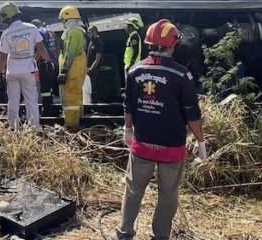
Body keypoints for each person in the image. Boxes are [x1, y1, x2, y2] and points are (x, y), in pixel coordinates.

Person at [117, 19, 205, 240]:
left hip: (142, 146)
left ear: (149, 44)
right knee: (167, 196)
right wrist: (200, 141)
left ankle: (125, 232)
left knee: (133, 190)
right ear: (173, 44)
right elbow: (192, 113)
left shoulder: (135, 71)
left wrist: (128, 129)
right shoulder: (181, 75)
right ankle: (159, 236)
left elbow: (128, 105)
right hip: (171, 149)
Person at [0, 2, 54, 131]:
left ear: (8, 17)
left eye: (3, 18)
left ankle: (13, 127)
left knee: (13, 100)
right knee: (31, 99)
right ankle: (35, 128)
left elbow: (3, 56)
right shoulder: (31, 28)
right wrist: (48, 62)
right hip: (28, 70)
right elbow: (41, 47)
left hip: (12, 71)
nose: (2, 21)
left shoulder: (6, 34)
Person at [57, 5, 87, 129]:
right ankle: (78, 118)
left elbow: (70, 51)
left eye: (63, 20)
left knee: (70, 95)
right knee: (76, 94)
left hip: (72, 68)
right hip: (76, 67)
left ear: (68, 19)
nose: (63, 23)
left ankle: (71, 124)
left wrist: (64, 70)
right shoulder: (78, 31)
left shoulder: (73, 32)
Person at [32, 19, 59, 104]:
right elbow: (57, 48)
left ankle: (47, 110)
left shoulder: (39, 32)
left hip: (45, 64)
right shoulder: (51, 32)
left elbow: (40, 49)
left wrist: (34, 62)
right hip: (53, 63)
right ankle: (50, 107)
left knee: (44, 89)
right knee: (50, 88)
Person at [86, 25, 104, 99]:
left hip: (95, 70)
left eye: (91, 32)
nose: (89, 34)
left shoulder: (98, 42)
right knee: (89, 89)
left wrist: (91, 69)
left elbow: (97, 59)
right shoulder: (91, 42)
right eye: (88, 32)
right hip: (88, 69)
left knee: (94, 89)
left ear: (95, 32)